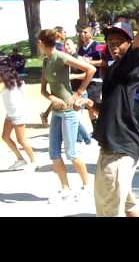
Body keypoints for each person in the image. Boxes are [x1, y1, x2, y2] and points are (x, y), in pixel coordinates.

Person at [77, 10, 139, 217]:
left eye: (119, 41)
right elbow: (109, 106)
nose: (114, 45)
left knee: (108, 208)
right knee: (126, 204)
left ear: (130, 43)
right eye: (110, 41)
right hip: (111, 144)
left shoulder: (131, 62)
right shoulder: (114, 69)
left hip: (120, 146)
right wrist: (90, 103)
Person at [38, 29, 96, 203]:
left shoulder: (61, 57)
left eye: (38, 42)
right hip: (57, 112)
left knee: (71, 153)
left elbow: (91, 69)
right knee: (54, 152)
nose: (37, 45)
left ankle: (87, 186)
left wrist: (78, 93)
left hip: (70, 111)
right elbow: (43, 90)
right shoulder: (46, 61)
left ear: (42, 43)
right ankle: (65, 189)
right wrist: (52, 98)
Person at [1, 65, 37, 171]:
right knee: (5, 137)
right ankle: (20, 159)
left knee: (21, 140)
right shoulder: (15, 81)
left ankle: (34, 162)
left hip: (17, 114)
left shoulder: (5, 83)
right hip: (11, 113)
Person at [64, 39, 91, 145]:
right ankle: (79, 139)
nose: (66, 47)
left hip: (81, 92)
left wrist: (74, 76)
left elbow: (89, 73)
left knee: (74, 118)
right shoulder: (66, 60)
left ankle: (87, 138)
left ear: (75, 46)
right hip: (70, 93)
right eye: (65, 45)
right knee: (71, 116)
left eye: (68, 44)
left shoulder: (79, 59)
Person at [78, 27, 105, 129]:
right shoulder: (81, 49)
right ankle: (96, 128)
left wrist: (90, 62)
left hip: (95, 80)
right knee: (88, 107)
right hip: (84, 80)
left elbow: (104, 62)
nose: (82, 34)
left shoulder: (97, 46)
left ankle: (101, 128)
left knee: (92, 105)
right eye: (82, 32)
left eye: (85, 32)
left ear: (91, 35)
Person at [40, 27, 67, 127]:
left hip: (61, 76)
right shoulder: (57, 46)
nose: (65, 33)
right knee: (59, 98)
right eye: (64, 31)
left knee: (59, 98)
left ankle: (45, 114)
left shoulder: (59, 46)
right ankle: (45, 114)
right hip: (60, 76)